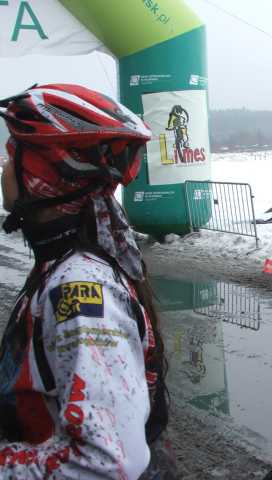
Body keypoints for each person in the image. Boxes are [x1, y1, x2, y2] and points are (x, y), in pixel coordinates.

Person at [0, 84, 170, 478]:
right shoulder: (60, 264)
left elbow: (108, 462)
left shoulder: (78, 287)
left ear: (43, 175)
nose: (4, 168)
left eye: (12, 155)